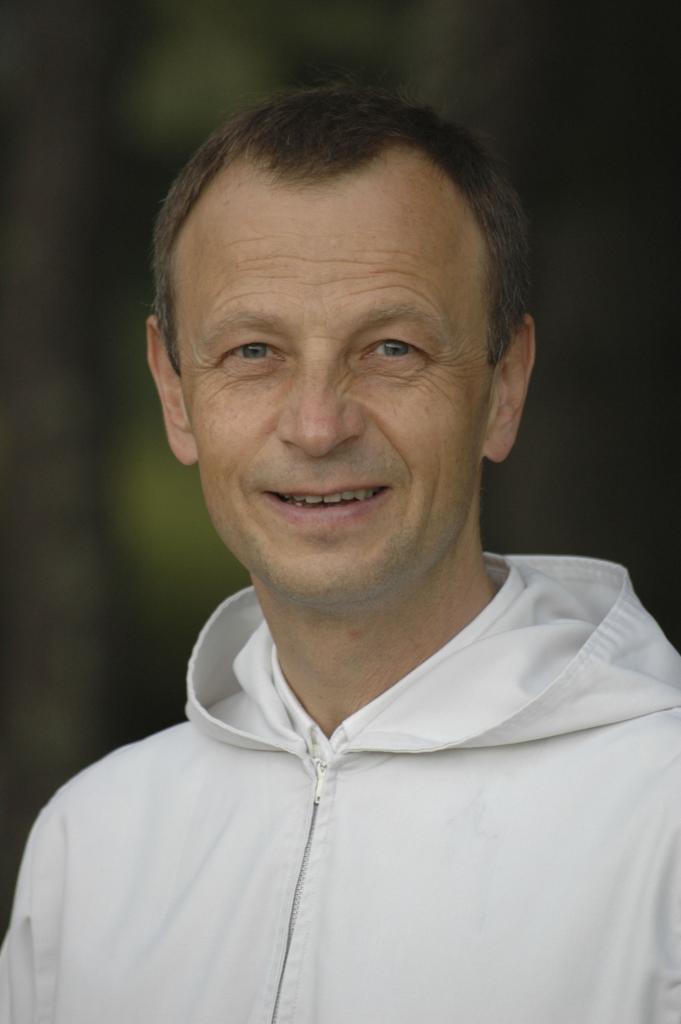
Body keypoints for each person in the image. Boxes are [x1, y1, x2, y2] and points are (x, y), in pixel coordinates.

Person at [1, 84, 680, 1024]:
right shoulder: (90, 848)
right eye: (253, 352)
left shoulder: (660, 820)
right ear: (174, 392)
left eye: (391, 348)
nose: (317, 426)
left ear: (503, 387)